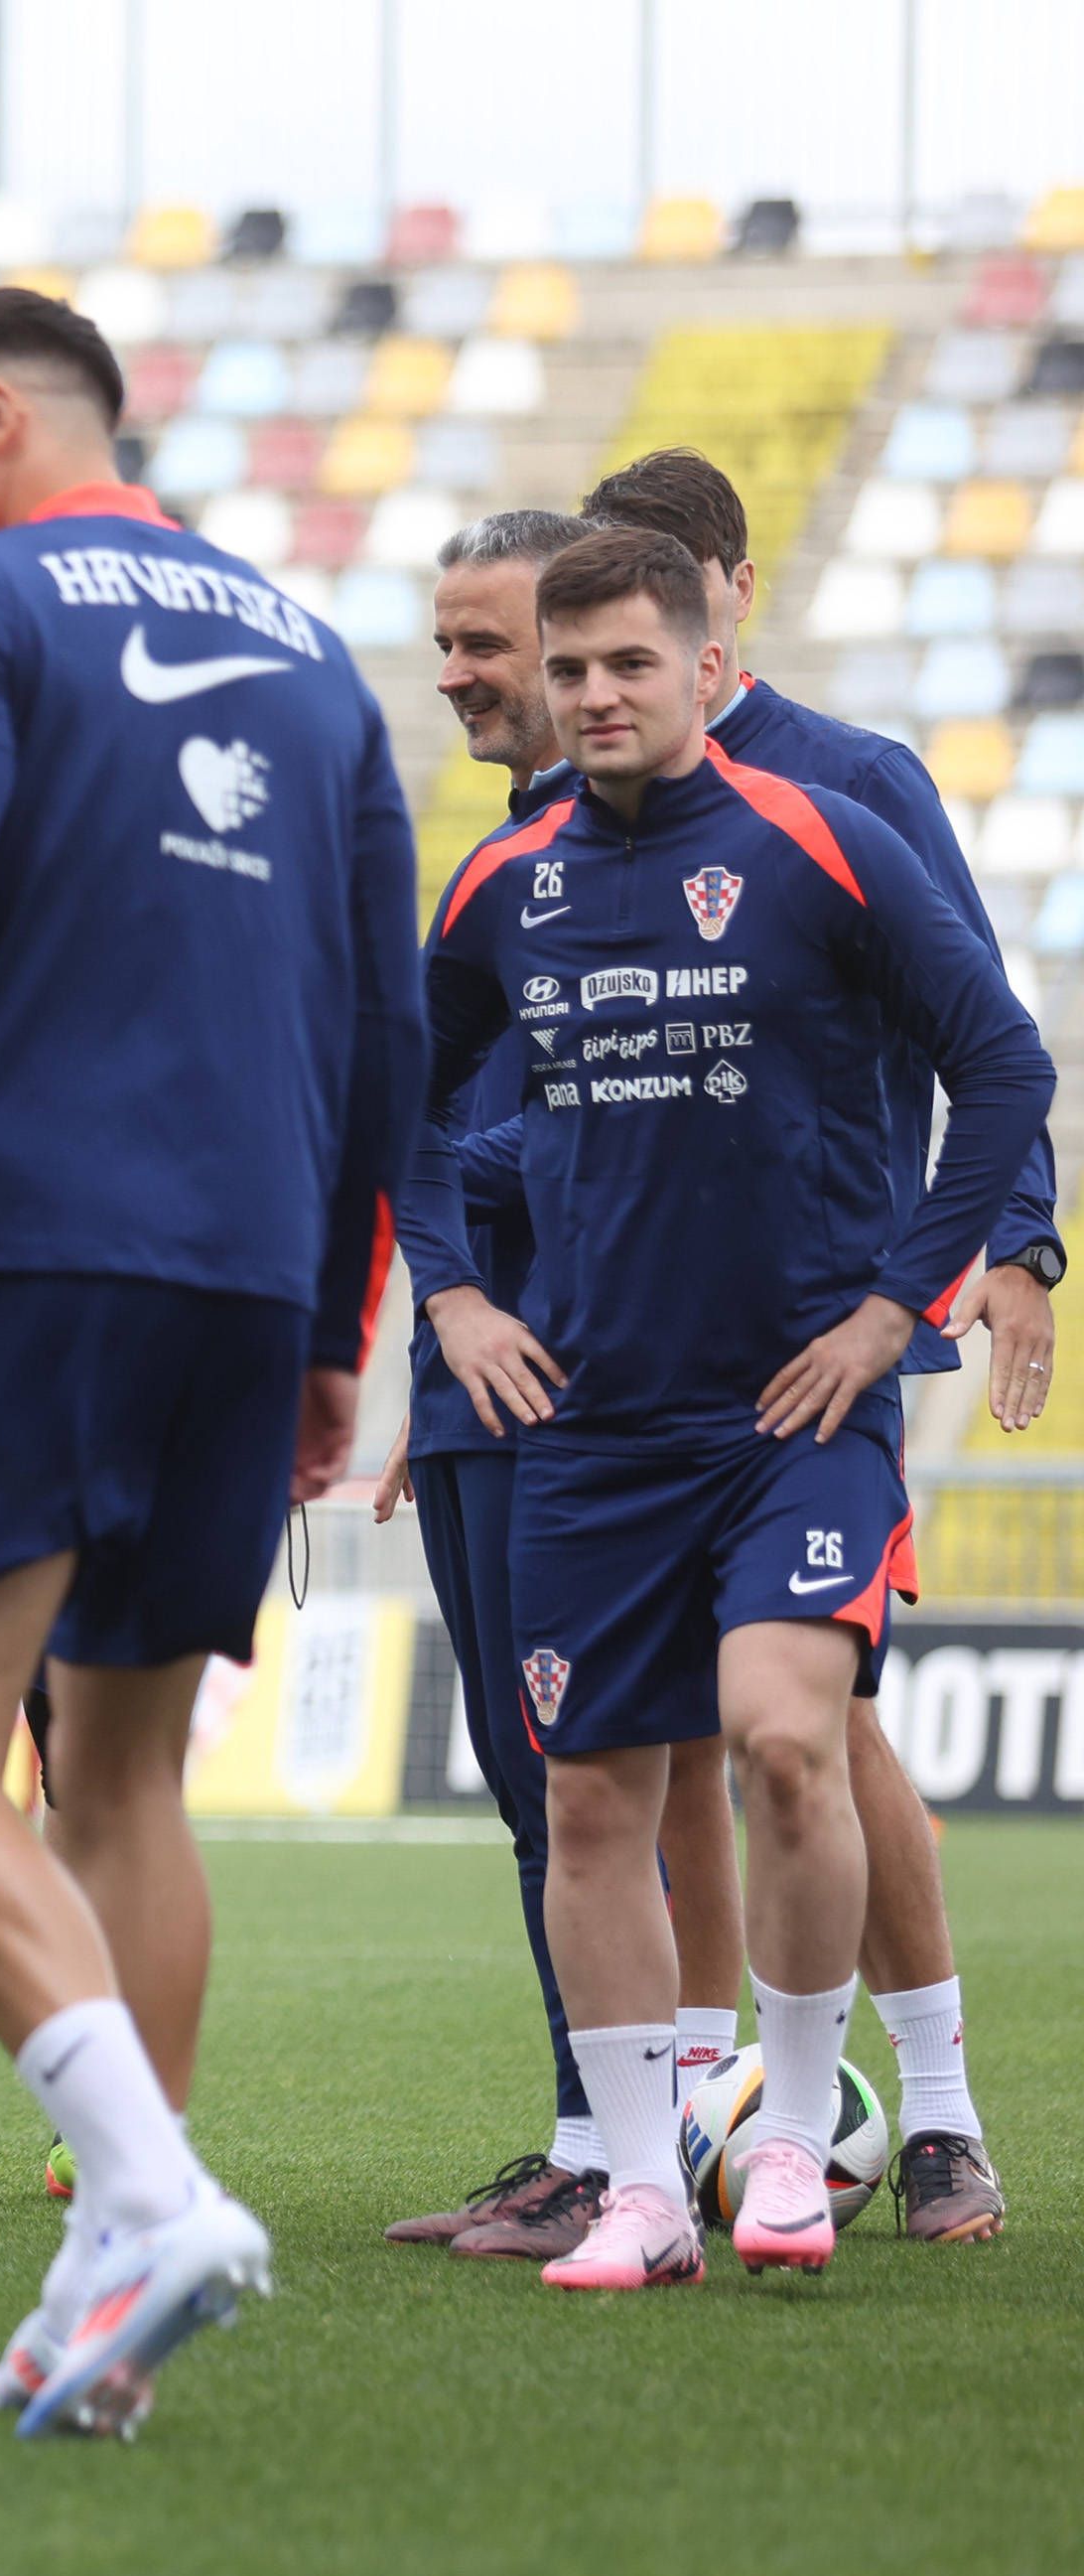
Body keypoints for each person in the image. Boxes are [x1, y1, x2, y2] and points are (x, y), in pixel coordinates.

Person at [0, 286, 416, 2437]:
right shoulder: (309, 652)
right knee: (124, 1782)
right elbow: (382, 1025)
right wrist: (327, 1329)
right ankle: (113, 2295)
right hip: (244, 1270)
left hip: (16, 1251)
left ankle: (153, 2192)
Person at [404, 524, 1048, 2288]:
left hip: (791, 1417)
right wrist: (450, 1293)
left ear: (707, 665)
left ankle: (791, 2133)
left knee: (784, 1736)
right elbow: (392, 1076)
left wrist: (895, 1301)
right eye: (571, 666)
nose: (594, 692)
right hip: (592, 1426)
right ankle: (630, 2188)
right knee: (592, 1804)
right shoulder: (502, 884)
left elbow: (1001, 1058)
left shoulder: (821, 834)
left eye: (630, 662)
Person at [575, 447, 1046, 2242]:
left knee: (817, 1730)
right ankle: (678, 2115)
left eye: (671, 608)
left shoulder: (850, 779)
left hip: (817, 1355)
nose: (634, 668)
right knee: (655, 1755)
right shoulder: (579, 806)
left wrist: (1017, 1245)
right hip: (624, 1361)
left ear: (730, 599)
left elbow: (985, 1028)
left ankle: (928, 2114)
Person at [365, 508, 610, 2258]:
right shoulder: (496, 867)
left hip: (595, 1386)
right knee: (534, 1784)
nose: (458, 676)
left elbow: (607, 1116)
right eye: (445, 645)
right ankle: (596, 2127)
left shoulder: (650, 855)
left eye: (489, 645)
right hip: (472, 1390)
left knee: (599, 1778)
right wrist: (428, 1327)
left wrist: (478, 1170)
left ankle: (729, 2110)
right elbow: (435, 1122)